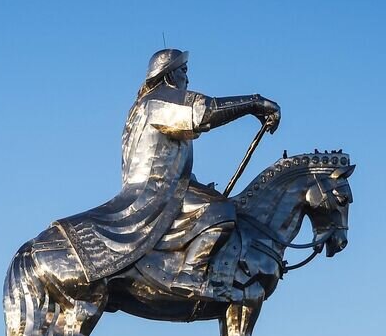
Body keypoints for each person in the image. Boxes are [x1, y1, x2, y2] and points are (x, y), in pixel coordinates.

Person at [55, 49, 280, 292]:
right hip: (157, 191)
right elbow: (204, 112)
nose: (187, 79)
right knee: (221, 211)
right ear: (168, 75)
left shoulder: (141, 107)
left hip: (162, 186)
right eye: (183, 71)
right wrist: (254, 103)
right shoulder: (161, 100)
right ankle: (190, 274)